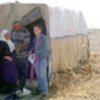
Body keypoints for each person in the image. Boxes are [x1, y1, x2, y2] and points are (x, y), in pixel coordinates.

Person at [11, 21, 31, 96]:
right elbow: (11, 41)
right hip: (15, 56)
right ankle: (16, 87)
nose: (15, 28)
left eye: (16, 27)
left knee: (23, 72)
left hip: (23, 56)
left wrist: (18, 48)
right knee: (16, 72)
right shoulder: (12, 31)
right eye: (14, 27)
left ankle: (22, 87)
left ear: (20, 26)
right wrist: (14, 47)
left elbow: (26, 43)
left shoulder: (25, 31)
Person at [30, 24, 49, 99]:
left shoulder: (44, 38)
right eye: (34, 30)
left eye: (37, 30)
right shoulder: (35, 39)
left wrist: (35, 53)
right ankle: (40, 89)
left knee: (42, 76)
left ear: (40, 30)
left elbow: (44, 48)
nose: (35, 31)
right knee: (38, 75)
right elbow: (34, 47)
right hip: (36, 60)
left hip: (42, 59)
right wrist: (31, 51)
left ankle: (45, 92)